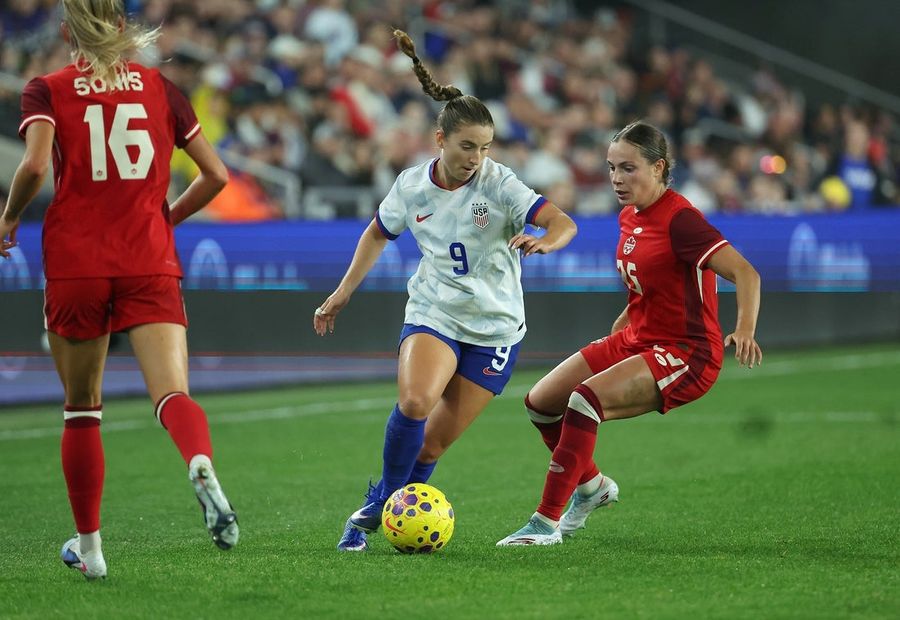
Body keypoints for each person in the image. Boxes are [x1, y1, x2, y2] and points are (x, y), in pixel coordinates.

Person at [0, 1, 239, 579]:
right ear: (125, 29)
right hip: (148, 259)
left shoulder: (47, 88)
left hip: (77, 263)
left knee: (82, 410)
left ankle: (92, 550)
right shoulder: (161, 89)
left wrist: (8, 218)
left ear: (66, 32)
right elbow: (217, 176)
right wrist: (166, 222)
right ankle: (199, 459)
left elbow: (35, 167)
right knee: (171, 393)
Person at [313, 29, 577, 552]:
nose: (476, 157)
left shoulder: (500, 184)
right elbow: (376, 234)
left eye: (484, 147)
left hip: (496, 329)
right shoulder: (411, 186)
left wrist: (550, 240)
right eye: (466, 146)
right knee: (414, 402)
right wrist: (342, 293)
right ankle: (388, 505)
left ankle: (375, 508)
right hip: (435, 311)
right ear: (440, 140)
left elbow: (564, 221)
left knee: (432, 442)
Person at [497, 121, 762, 546]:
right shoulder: (628, 216)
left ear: (658, 168)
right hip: (638, 335)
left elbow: (745, 273)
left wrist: (744, 327)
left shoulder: (682, 221)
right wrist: (627, 316)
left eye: (629, 168)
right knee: (541, 402)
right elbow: (655, 280)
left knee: (585, 399)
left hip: (686, 352)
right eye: (612, 168)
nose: (617, 179)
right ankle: (592, 487)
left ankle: (545, 524)